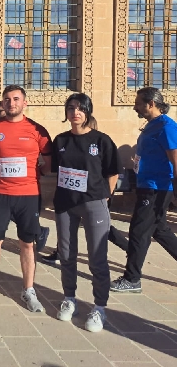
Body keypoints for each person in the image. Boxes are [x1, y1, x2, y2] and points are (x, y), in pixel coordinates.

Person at [0, 85, 52, 312]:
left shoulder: (37, 130)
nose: (11, 103)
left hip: (28, 195)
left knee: (27, 244)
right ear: (2, 103)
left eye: (16, 99)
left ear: (24, 103)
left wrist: (35, 173)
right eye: (7, 99)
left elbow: (48, 163)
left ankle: (28, 290)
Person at [51, 93, 122, 332]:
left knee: (97, 257)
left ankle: (99, 307)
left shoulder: (101, 140)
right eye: (71, 108)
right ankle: (69, 298)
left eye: (80, 108)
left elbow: (113, 172)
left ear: (88, 112)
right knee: (66, 254)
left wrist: (105, 197)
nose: (75, 113)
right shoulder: (60, 140)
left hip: (93, 202)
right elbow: (55, 170)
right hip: (65, 203)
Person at [111, 87, 177, 293]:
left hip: (157, 188)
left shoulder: (166, 127)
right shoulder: (152, 125)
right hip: (146, 185)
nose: (135, 107)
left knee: (139, 231)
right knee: (160, 230)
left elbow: (176, 160)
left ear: (151, 104)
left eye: (138, 103)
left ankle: (132, 279)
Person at [41, 116, 129, 265]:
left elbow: (113, 172)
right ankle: (60, 252)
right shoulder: (65, 141)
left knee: (104, 228)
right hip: (71, 196)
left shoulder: (100, 143)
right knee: (66, 226)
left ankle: (129, 248)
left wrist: (106, 195)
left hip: (95, 195)